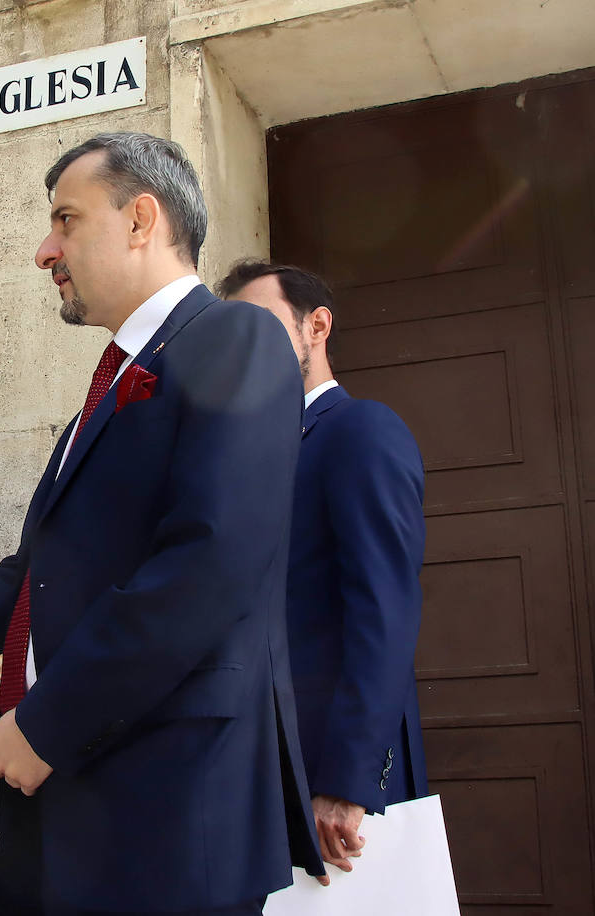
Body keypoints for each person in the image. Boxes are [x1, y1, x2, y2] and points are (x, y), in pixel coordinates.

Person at [0, 133, 325, 915]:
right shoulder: (106, 389)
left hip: (166, 803)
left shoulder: (237, 337)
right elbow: (33, 574)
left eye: (66, 220)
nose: (46, 250)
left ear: (141, 219)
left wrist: (46, 725)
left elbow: (208, 565)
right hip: (59, 800)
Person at [216, 260, 428, 884]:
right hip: (255, 777)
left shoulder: (360, 431)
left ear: (317, 326)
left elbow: (383, 610)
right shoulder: (246, 457)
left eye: (262, 325)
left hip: (338, 786)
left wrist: (346, 780)